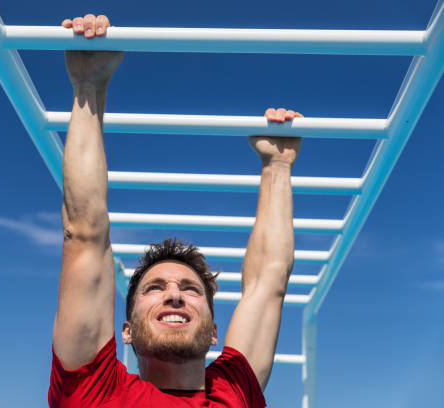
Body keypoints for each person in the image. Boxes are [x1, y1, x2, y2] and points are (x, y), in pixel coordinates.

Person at [49, 13, 303, 408]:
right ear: (126, 331)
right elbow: (84, 233)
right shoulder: (95, 392)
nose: (174, 296)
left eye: (190, 290)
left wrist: (278, 167)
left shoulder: (232, 392)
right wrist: (88, 85)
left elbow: (268, 284)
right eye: (155, 288)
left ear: (214, 331)